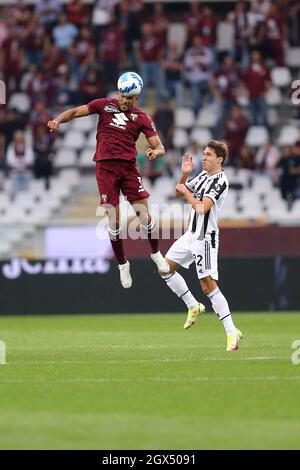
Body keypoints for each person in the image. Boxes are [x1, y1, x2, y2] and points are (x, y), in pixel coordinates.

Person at [47, 73, 169, 288]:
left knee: (144, 216)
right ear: (119, 92)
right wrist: (57, 120)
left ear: (136, 99)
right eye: (123, 95)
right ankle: (123, 265)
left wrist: (156, 152)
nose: (124, 100)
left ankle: (156, 253)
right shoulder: (103, 105)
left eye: (129, 98)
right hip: (105, 168)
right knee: (113, 220)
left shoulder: (141, 118)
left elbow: (159, 146)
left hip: (129, 169)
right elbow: (75, 112)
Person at [159, 140, 243, 352]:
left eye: (208, 155)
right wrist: (184, 174)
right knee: (164, 268)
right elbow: (178, 192)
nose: (203, 158)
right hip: (191, 234)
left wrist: (186, 191)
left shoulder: (220, 180)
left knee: (208, 286)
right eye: (204, 154)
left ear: (219, 159)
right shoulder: (203, 176)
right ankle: (192, 305)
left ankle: (231, 330)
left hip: (205, 238)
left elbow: (201, 208)